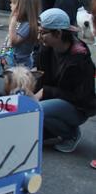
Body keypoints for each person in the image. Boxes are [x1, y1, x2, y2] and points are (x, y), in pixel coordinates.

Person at [36, 8, 96, 153]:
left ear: (59, 33)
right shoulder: (46, 49)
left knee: (38, 110)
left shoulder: (79, 58)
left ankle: (70, 133)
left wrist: (46, 92)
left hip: (77, 107)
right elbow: (42, 79)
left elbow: (81, 98)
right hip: (55, 98)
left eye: (43, 33)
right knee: (28, 107)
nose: (39, 37)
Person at [4, 0, 41, 69]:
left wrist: (12, 23)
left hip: (20, 65)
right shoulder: (23, 23)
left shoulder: (27, 26)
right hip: (15, 62)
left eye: (13, 3)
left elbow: (13, 42)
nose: (11, 5)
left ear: (22, 7)